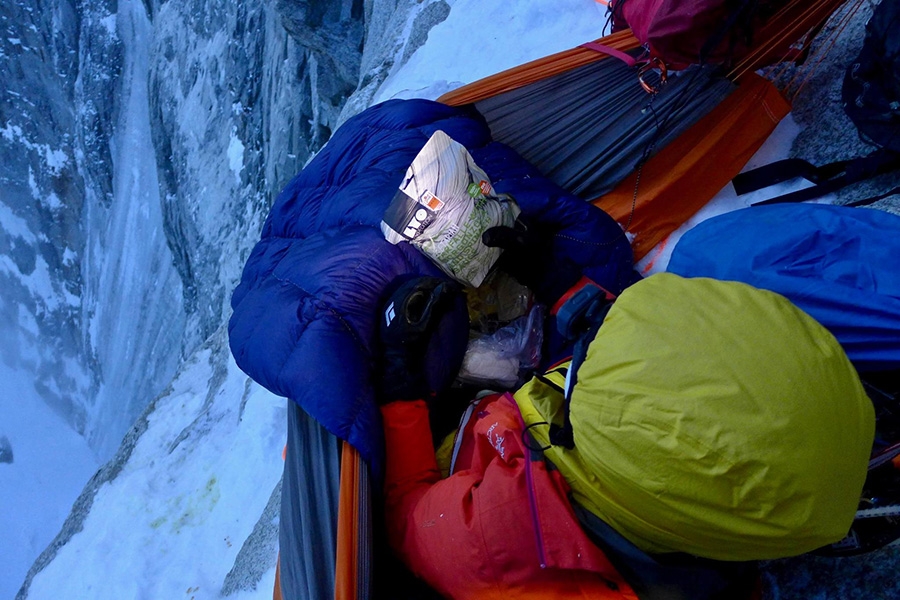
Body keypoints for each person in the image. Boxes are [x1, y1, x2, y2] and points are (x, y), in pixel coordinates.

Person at [375, 261, 874, 599]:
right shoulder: (668, 464)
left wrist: (401, 385)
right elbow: (670, 368)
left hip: (469, 483)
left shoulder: (500, 529)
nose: (588, 329)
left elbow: (406, 520)